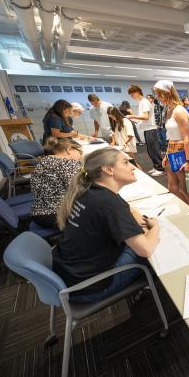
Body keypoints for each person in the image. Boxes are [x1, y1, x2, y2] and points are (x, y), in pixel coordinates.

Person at [53, 148, 160, 303]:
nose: (133, 167)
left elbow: (127, 209)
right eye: (125, 162)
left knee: (136, 242)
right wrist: (155, 226)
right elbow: (145, 249)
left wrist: (134, 216)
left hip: (70, 275)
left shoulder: (89, 190)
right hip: (88, 288)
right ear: (108, 169)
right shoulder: (109, 203)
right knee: (154, 252)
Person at [153, 80, 189, 209]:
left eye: (159, 94)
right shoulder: (169, 110)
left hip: (181, 151)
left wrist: (188, 161)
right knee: (172, 187)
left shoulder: (179, 111)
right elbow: (170, 136)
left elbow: (186, 138)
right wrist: (167, 154)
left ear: (167, 93)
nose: (157, 97)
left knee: (186, 189)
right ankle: (187, 210)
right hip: (172, 149)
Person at [30, 137, 83, 228]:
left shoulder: (43, 160)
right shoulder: (67, 164)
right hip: (56, 216)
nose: (81, 156)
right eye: (80, 152)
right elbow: (79, 190)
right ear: (69, 149)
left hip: (37, 213)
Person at [126, 85, 163, 176]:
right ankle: (156, 166)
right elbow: (144, 118)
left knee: (154, 150)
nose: (132, 97)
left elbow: (146, 117)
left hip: (151, 129)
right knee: (151, 150)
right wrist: (135, 119)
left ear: (137, 92)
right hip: (148, 129)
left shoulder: (144, 102)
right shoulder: (142, 102)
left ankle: (160, 168)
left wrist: (132, 116)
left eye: (132, 94)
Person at [107, 106, 141, 171]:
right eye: (110, 117)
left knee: (133, 163)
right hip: (121, 146)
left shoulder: (126, 121)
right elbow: (113, 133)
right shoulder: (115, 122)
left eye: (113, 116)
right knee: (128, 163)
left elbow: (130, 135)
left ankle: (142, 176)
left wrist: (125, 143)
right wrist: (113, 142)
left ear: (116, 113)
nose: (112, 118)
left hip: (128, 146)